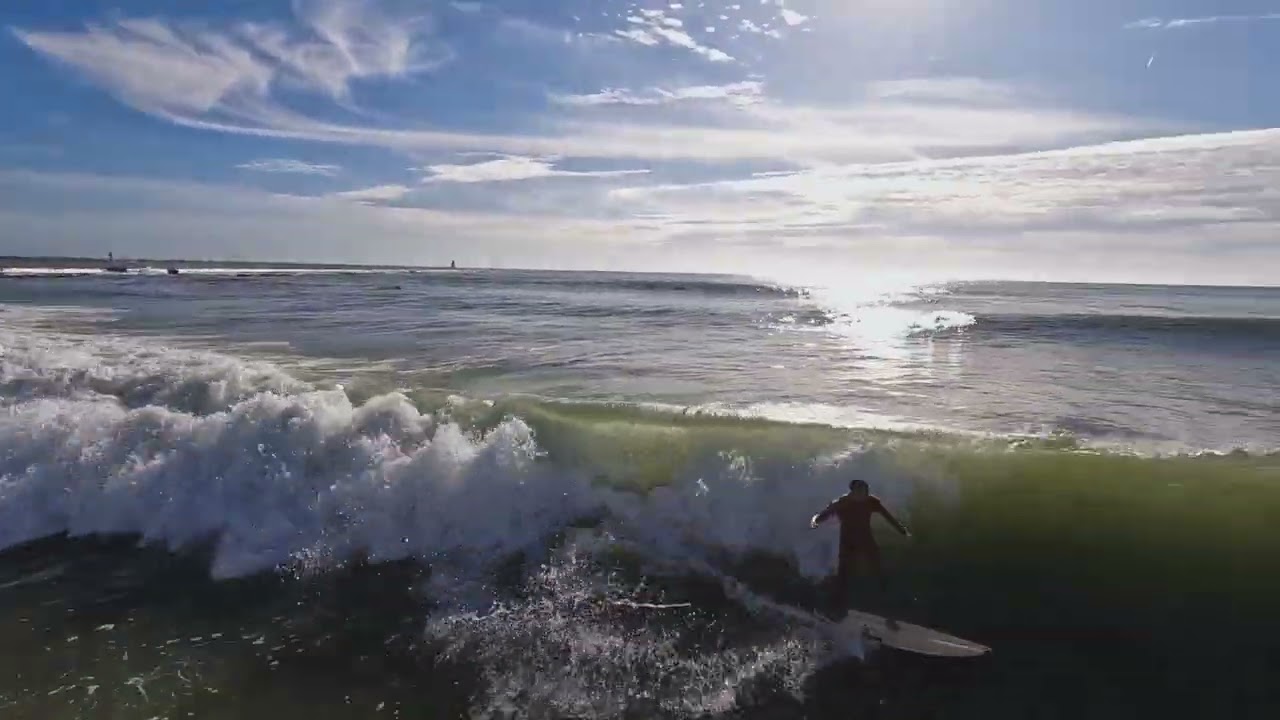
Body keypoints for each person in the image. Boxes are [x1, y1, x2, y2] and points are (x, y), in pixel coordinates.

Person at [810, 478, 910, 618]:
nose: (865, 493)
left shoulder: (871, 501)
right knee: (843, 574)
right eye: (862, 490)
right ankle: (836, 606)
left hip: (865, 540)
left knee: (877, 567)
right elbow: (826, 513)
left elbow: (888, 517)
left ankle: (887, 602)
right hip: (847, 542)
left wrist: (902, 530)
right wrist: (816, 520)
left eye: (866, 490)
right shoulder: (843, 502)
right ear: (854, 491)